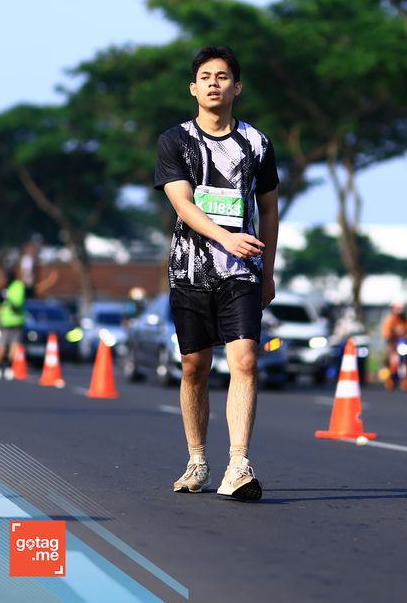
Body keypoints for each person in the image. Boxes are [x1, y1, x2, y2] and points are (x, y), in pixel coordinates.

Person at [154, 45, 279, 501]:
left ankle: (238, 465)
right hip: (189, 270)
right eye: (205, 77)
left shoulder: (257, 144)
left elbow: (269, 209)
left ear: (236, 87)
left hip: (242, 272)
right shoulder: (175, 141)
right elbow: (182, 204)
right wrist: (227, 237)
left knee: (244, 361)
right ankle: (197, 461)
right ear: (193, 88)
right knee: (195, 367)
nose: (213, 83)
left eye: (222, 77)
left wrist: (267, 271)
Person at [0, 267, 27, 380]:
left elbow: (17, 303)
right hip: (4, 322)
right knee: (1, 345)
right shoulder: (3, 288)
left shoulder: (18, 286)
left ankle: (10, 367)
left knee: (14, 346)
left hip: (16, 321)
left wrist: (8, 297)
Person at [381, 301, 407, 389]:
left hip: (404, 345)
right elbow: (386, 332)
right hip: (393, 344)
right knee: (386, 357)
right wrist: (391, 335)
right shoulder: (390, 319)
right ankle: (388, 377)